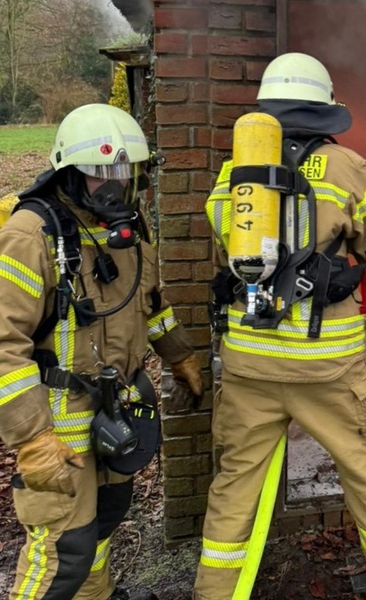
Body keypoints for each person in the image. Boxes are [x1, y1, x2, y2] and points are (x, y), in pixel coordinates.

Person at [196, 53, 366, 600]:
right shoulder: (345, 166)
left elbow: (226, 239)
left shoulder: (237, 173)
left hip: (250, 362)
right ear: (324, 109)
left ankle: (215, 592)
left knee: (234, 486)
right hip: (327, 365)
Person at [0, 103, 204, 600]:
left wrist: (180, 357)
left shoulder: (129, 234)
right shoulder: (31, 235)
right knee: (60, 556)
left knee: (101, 530)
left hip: (117, 414)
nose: (115, 186)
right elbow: (4, 345)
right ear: (68, 174)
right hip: (58, 428)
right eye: (101, 174)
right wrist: (32, 438)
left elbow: (150, 306)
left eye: (125, 173)